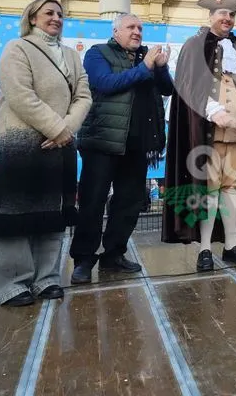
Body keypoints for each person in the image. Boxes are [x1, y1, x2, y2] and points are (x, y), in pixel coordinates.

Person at [0, 0, 92, 306]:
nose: (56, 18)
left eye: (60, 14)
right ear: (32, 18)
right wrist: (57, 130)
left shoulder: (72, 56)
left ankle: (47, 279)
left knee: (53, 212)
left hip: (60, 145)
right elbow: (20, 94)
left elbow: (83, 96)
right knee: (17, 213)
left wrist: (65, 130)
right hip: (22, 142)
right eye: (49, 13)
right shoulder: (18, 49)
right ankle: (12, 284)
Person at [70, 14, 173, 284]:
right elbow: (105, 84)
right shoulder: (97, 54)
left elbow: (167, 89)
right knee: (92, 202)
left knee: (129, 202)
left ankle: (114, 253)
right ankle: (82, 259)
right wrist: (146, 66)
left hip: (137, 144)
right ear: (116, 31)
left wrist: (161, 67)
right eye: (131, 27)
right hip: (102, 142)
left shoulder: (146, 57)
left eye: (140, 27)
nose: (137, 32)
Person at [162, 0, 236, 272]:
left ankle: (231, 245)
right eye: (221, 14)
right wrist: (215, 111)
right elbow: (188, 84)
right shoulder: (194, 46)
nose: (227, 19)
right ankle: (205, 249)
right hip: (207, 130)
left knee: (232, 187)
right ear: (210, 16)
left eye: (230, 14)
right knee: (209, 190)